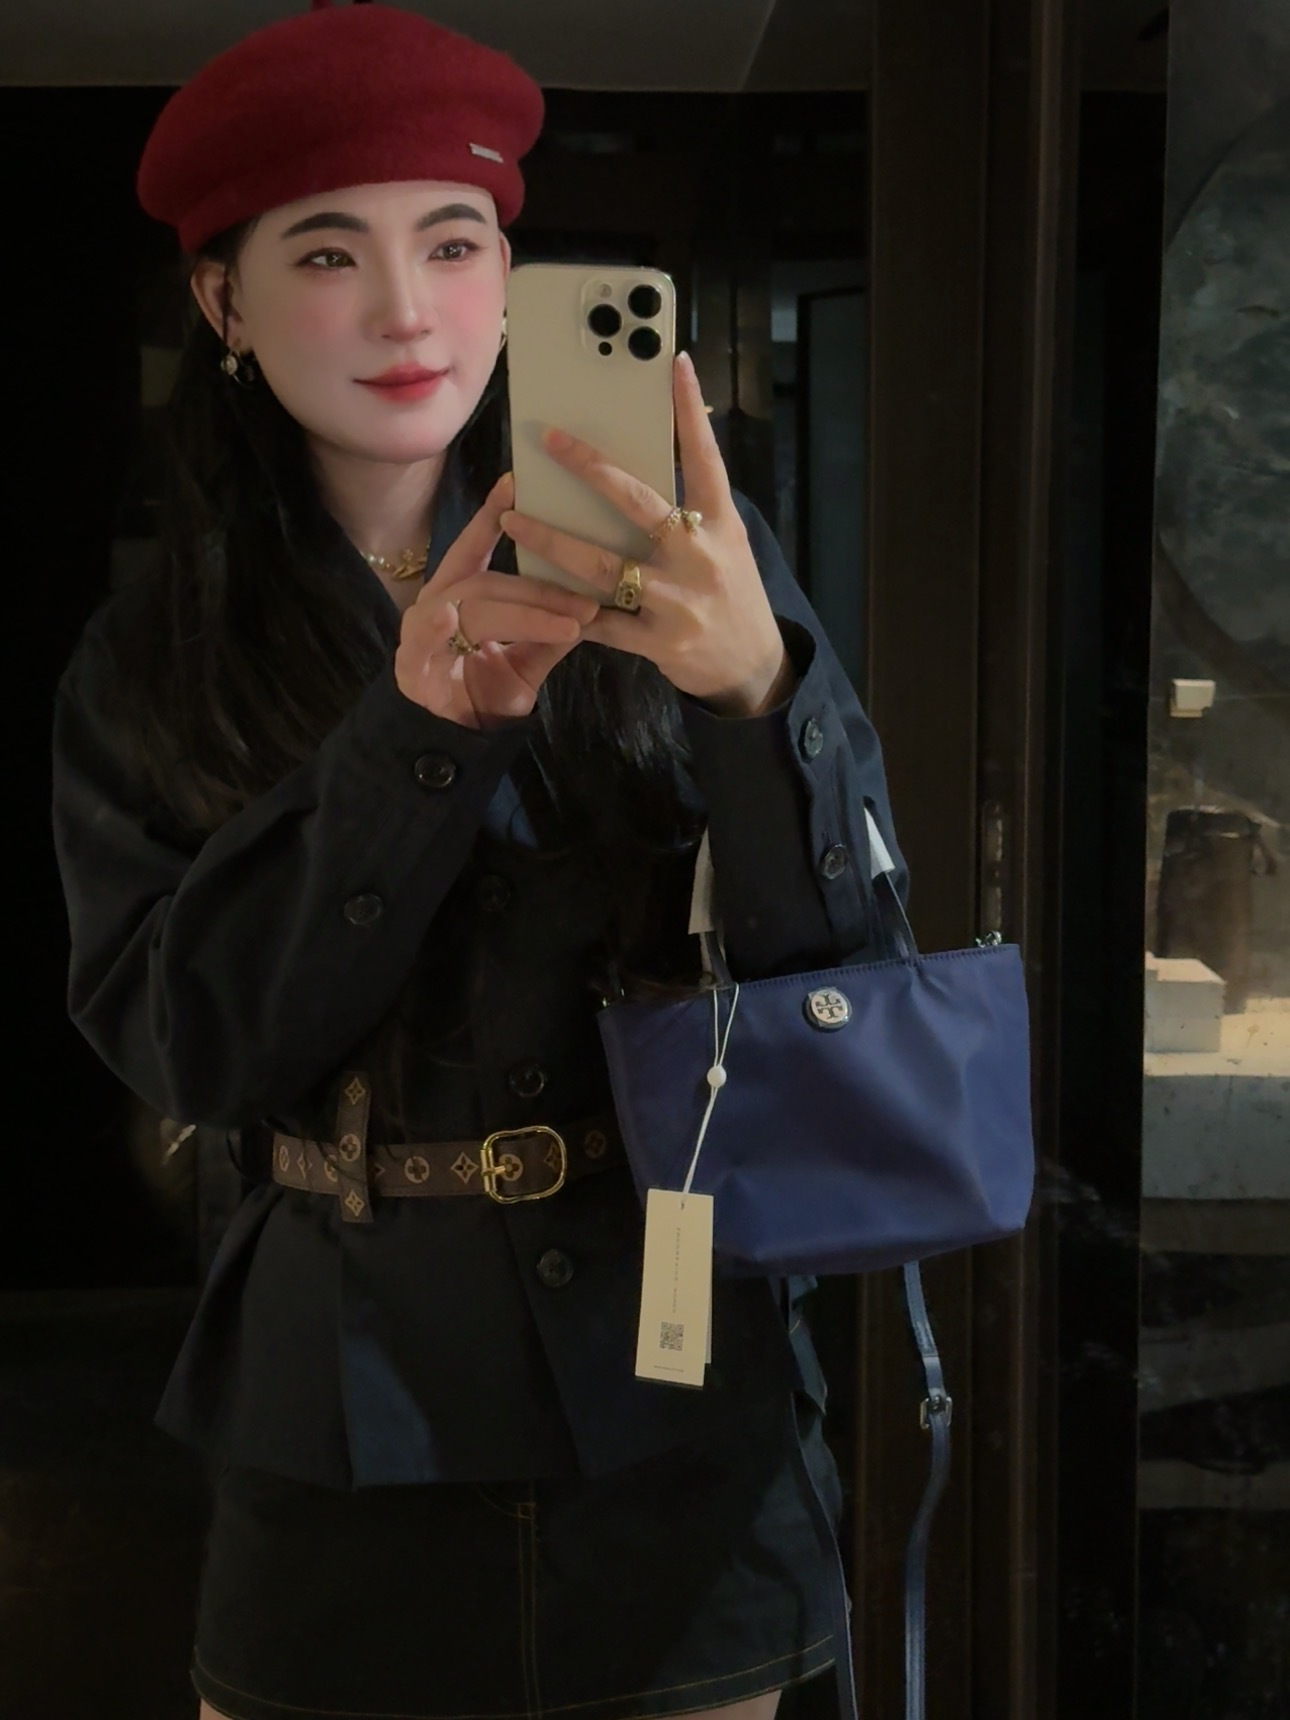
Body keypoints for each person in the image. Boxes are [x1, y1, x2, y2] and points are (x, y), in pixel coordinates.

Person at [51, 6, 908, 1720]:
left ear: (510, 278)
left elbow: (843, 970)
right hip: (343, 1409)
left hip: (676, 1382)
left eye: (452, 244)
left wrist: (758, 696)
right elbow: (189, 1048)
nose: (403, 310)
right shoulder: (152, 659)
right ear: (223, 304)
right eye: (326, 253)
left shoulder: (690, 563)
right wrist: (418, 735)